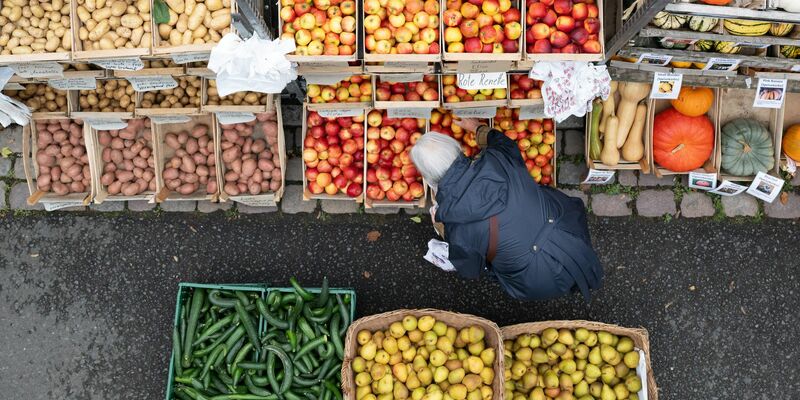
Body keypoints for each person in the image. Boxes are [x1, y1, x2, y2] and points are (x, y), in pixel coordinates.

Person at [410, 118, 603, 301]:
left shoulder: (457, 229)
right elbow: (502, 141)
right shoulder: (498, 157)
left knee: (492, 257)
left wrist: (443, 229)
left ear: (428, 179)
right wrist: (478, 128)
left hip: (535, 281)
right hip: (570, 233)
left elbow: (471, 268)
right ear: (457, 149)